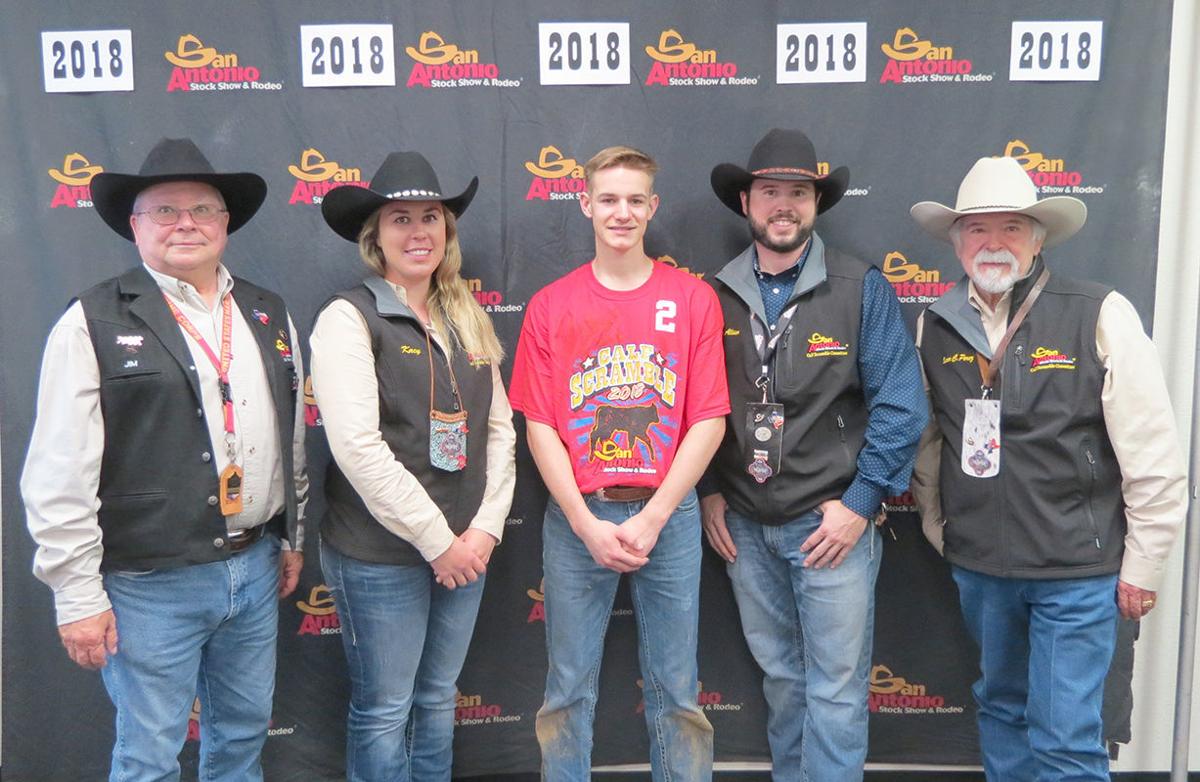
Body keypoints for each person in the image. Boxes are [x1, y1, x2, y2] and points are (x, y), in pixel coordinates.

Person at [21, 137, 308, 781]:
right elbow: (58, 470)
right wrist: (75, 593)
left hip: (255, 567)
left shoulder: (268, 311)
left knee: (240, 740)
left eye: (203, 210)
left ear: (226, 223)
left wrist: (291, 535)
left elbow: (289, 436)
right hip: (148, 585)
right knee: (149, 756)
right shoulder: (90, 321)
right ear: (135, 225)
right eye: (165, 211)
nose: (186, 224)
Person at [909, 155, 1186, 781]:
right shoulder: (935, 322)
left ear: (1038, 238)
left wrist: (1143, 563)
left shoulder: (1100, 312)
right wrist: (944, 528)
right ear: (957, 243)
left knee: (1065, 737)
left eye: (1011, 228)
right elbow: (929, 444)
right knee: (1001, 711)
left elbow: (1152, 453)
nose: (994, 243)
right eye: (978, 229)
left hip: (1076, 571)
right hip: (982, 567)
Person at [699, 128, 927, 782]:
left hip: (830, 528)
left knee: (834, 690)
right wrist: (712, 489)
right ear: (746, 201)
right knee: (782, 680)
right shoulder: (713, 293)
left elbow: (900, 405)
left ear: (816, 203)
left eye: (798, 193)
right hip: (744, 526)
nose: (784, 205)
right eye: (770, 191)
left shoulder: (861, 287)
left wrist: (860, 504)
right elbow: (701, 407)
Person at [508, 145, 729, 781]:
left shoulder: (691, 300)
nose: (622, 212)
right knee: (567, 690)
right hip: (582, 517)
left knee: (678, 690)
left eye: (636, 200)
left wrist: (657, 515)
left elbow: (707, 418)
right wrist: (582, 522)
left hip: (671, 515)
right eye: (609, 199)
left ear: (653, 207)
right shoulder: (552, 306)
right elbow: (541, 424)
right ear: (585, 204)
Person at [309, 151, 516, 782]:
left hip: (466, 550)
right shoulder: (348, 317)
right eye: (401, 218)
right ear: (376, 236)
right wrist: (438, 542)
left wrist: (483, 530)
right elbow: (358, 449)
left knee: (435, 698)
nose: (419, 231)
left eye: (432, 217)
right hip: (381, 557)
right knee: (384, 708)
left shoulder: (465, 315)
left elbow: (500, 431)